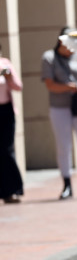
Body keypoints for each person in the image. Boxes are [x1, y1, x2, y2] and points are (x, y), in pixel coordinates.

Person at [41, 27, 77, 199]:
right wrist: (70, 87)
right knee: (63, 146)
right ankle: (67, 184)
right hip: (60, 106)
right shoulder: (49, 58)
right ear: (61, 41)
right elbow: (50, 84)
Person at [0, 40, 24, 203]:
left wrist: (8, 76)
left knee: (7, 150)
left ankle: (14, 189)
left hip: (6, 111)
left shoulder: (5, 63)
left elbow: (18, 86)